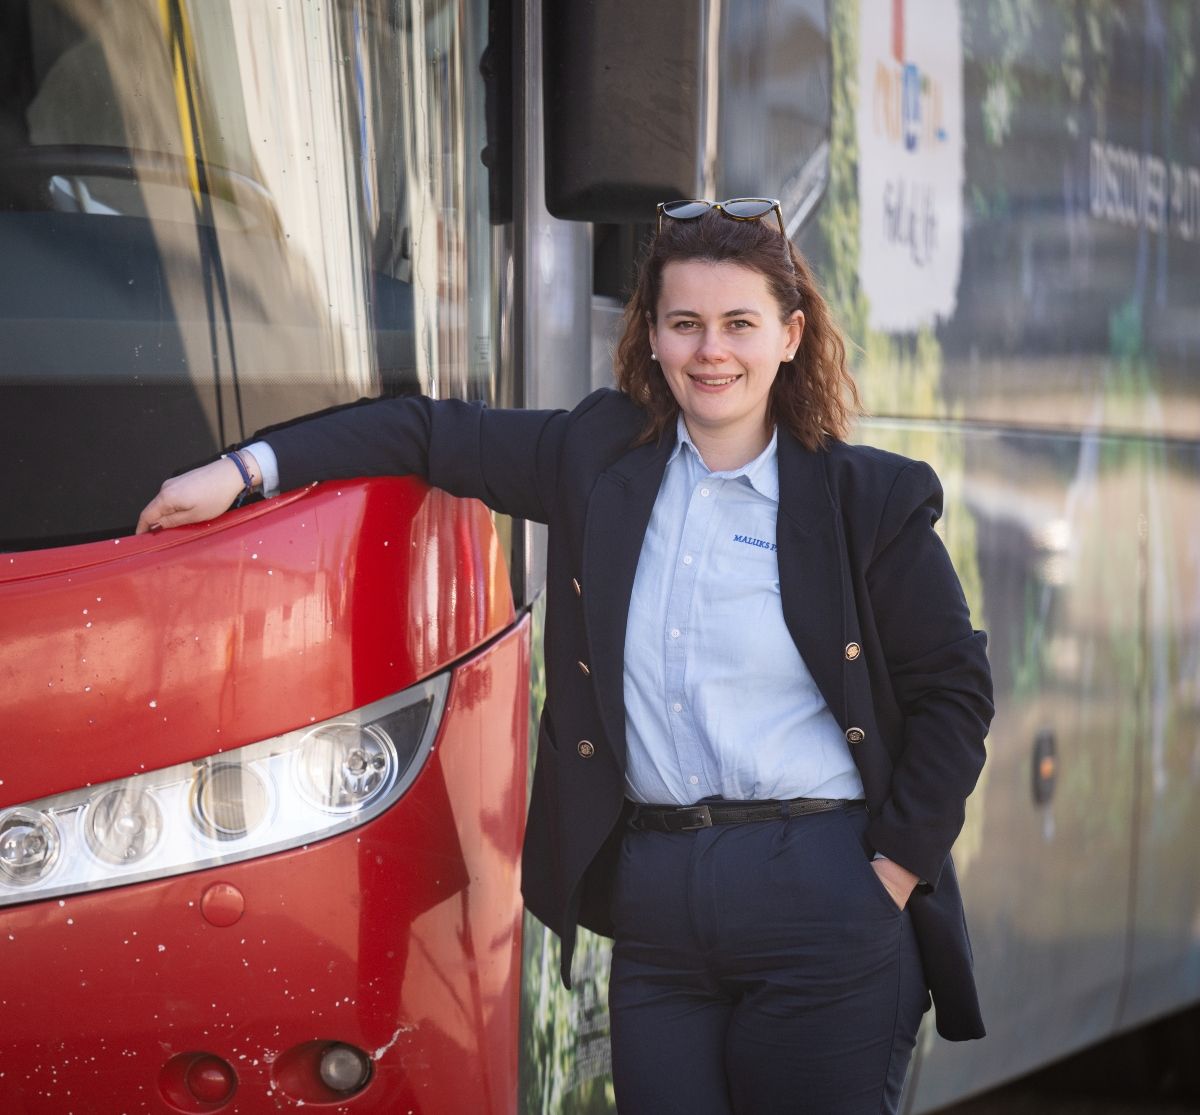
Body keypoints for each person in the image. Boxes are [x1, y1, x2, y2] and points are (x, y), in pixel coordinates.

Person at [137, 198, 994, 1114]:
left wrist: (890, 871)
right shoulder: (596, 457)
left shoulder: (870, 500)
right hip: (660, 904)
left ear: (789, 335)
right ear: (654, 338)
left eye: (740, 324)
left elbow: (955, 691)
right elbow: (425, 433)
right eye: (685, 324)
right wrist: (239, 472)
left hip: (821, 888)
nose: (713, 351)